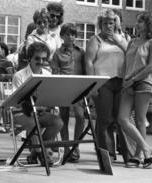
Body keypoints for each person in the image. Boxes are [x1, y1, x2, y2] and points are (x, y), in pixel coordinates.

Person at [117, 12, 152, 168]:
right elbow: (126, 63)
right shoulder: (132, 42)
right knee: (122, 118)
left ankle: (138, 156)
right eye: (137, 21)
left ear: (148, 24)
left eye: (141, 21)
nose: (137, 24)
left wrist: (133, 79)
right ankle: (147, 150)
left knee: (140, 120)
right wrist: (124, 79)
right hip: (128, 83)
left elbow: (151, 66)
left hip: (144, 82)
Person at [85, 9, 129, 162]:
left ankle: (127, 154)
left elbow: (131, 55)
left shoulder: (124, 38)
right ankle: (107, 154)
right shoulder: (95, 40)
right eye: (105, 23)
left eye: (111, 23)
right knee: (105, 119)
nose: (108, 26)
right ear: (100, 24)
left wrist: (119, 41)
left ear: (116, 23)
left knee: (122, 119)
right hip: (103, 82)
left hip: (121, 81)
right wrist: (92, 86)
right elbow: (89, 62)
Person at [12, 42, 63, 166]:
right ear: (30, 57)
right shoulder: (19, 75)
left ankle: (35, 152)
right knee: (33, 122)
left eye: (43, 58)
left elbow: (51, 95)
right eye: (37, 58)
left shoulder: (47, 74)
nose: (41, 61)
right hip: (22, 113)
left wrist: (55, 107)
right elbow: (17, 101)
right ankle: (43, 154)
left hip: (40, 112)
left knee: (57, 122)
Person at [51, 23, 85, 162]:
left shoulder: (81, 52)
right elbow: (55, 73)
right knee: (63, 117)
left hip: (78, 88)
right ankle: (66, 149)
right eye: (67, 34)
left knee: (80, 116)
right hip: (64, 88)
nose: (70, 37)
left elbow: (86, 71)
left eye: (73, 34)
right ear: (62, 35)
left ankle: (75, 146)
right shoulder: (57, 54)